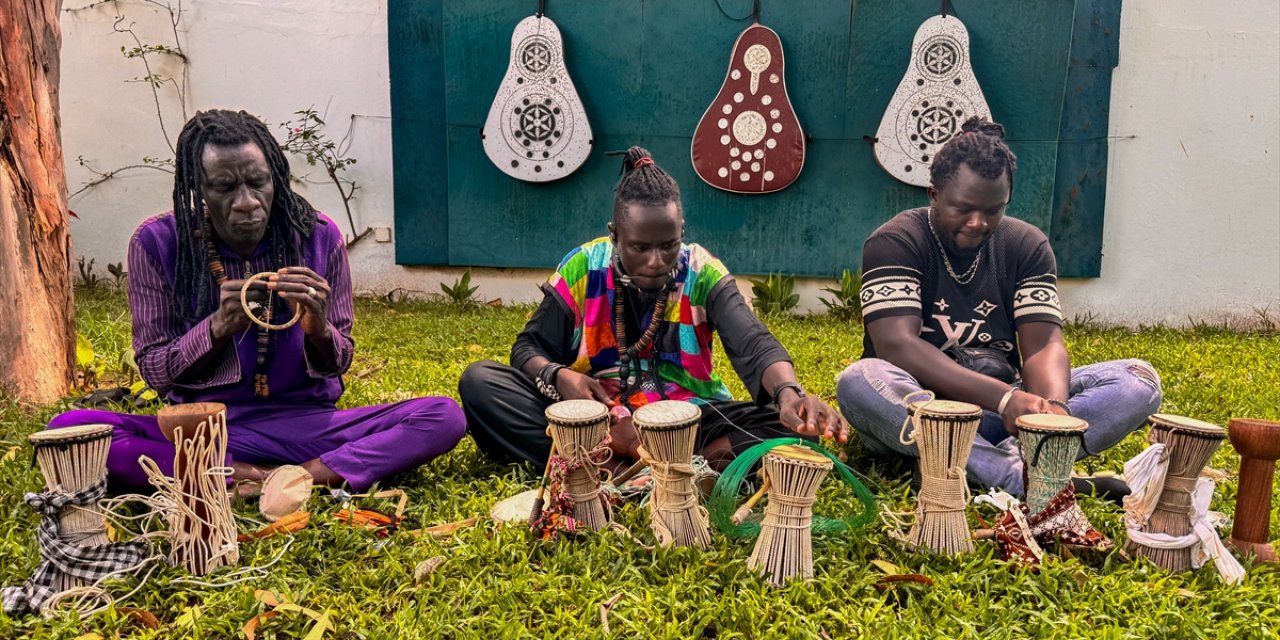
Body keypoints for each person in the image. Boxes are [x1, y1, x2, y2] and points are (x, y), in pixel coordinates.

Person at [49, 109, 465, 493]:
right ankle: (264, 477)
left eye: (257, 182)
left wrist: (318, 328)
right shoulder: (158, 242)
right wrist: (216, 328)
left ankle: (287, 477)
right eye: (225, 187)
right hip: (206, 428)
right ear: (199, 188)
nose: (246, 202)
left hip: (306, 424)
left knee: (443, 416)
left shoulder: (318, 236)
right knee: (71, 427)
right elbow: (156, 372)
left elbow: (340, 362)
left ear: (276, 178)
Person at [459, 147, 845, 470]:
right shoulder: (583, 266)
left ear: (682, 232)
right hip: (595, 419)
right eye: (639, 247)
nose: (656, 260)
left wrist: (790, 393)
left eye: (668, 245)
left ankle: (654, 472)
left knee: (791, 430)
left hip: (686, 418)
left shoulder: (703, 272)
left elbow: (755, 343)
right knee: (481, 383)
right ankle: (647, 469)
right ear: (615, 235)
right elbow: (527, 349)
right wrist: (560, 376)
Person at [836, 117, 1162, 496]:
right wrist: (1005, 399)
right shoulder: (895, 241)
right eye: (963, 208)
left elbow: (1043, 345)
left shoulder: (1027, 245)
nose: (978, 222)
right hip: (915, 411)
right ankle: (1028, 479)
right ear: (934, 194)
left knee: (1137, 382)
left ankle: (984, 463)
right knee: (859, 379)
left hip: (1001, 418)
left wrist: (1050, 411)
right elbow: (898, 346)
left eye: (994, 210)